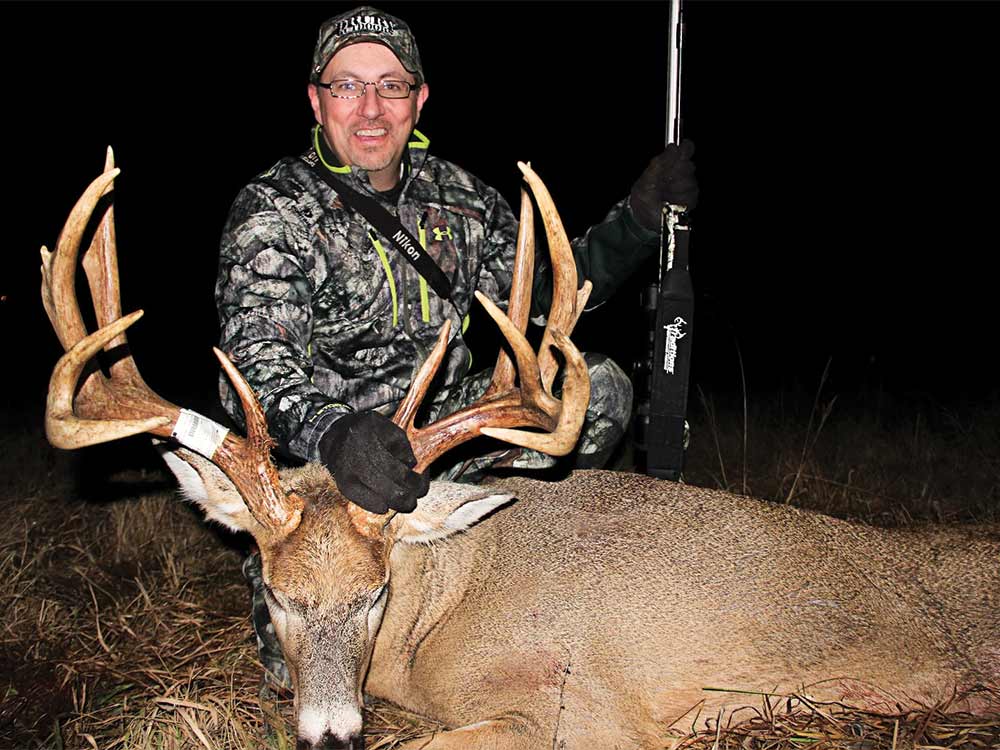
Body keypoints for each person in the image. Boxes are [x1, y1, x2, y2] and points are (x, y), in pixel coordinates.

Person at [215, 5, 698, 692]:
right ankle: (320, 568)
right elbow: (256, 367)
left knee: (594, 391)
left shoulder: (462, 200)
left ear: (419, 99)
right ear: (316, 100)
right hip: (326, 478)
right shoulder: (274, 210)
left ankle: (511, 573)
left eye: (391, 85)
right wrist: (334, 432)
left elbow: (544, 298)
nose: (371, 108)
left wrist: (638, 221)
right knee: (294, 675)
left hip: (439, 445)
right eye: (348, 86)